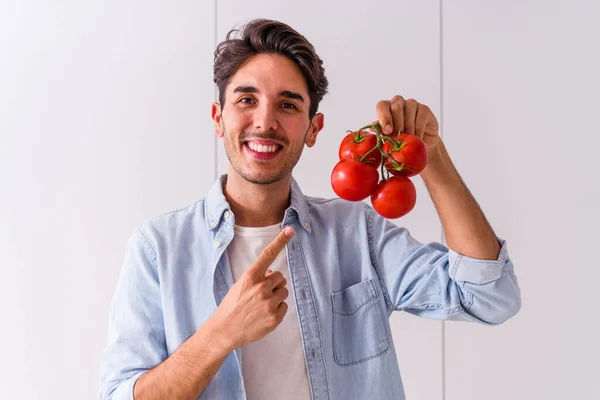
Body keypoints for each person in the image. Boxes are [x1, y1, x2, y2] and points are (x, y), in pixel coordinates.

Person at [99, 18, 521, 400]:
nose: (265, 122)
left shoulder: (359, 232)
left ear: (314, 128)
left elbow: (489, 296)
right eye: (246, 100)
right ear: (218, 118)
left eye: (287, 105)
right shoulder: (158, 249)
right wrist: (222, 332)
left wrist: (432, 157)